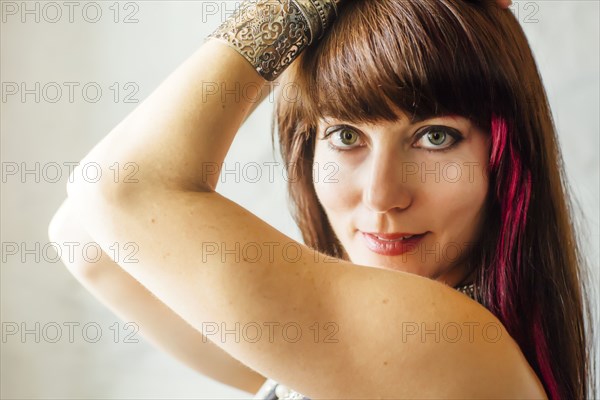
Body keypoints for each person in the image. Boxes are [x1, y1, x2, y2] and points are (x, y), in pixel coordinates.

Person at [48, 0, 595, 398]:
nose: (383, 194)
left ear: (505, 157)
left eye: (435, 137)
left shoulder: (446, 342)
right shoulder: (354, 357)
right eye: (346, 136)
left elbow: (119, 189)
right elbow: (86, 238)